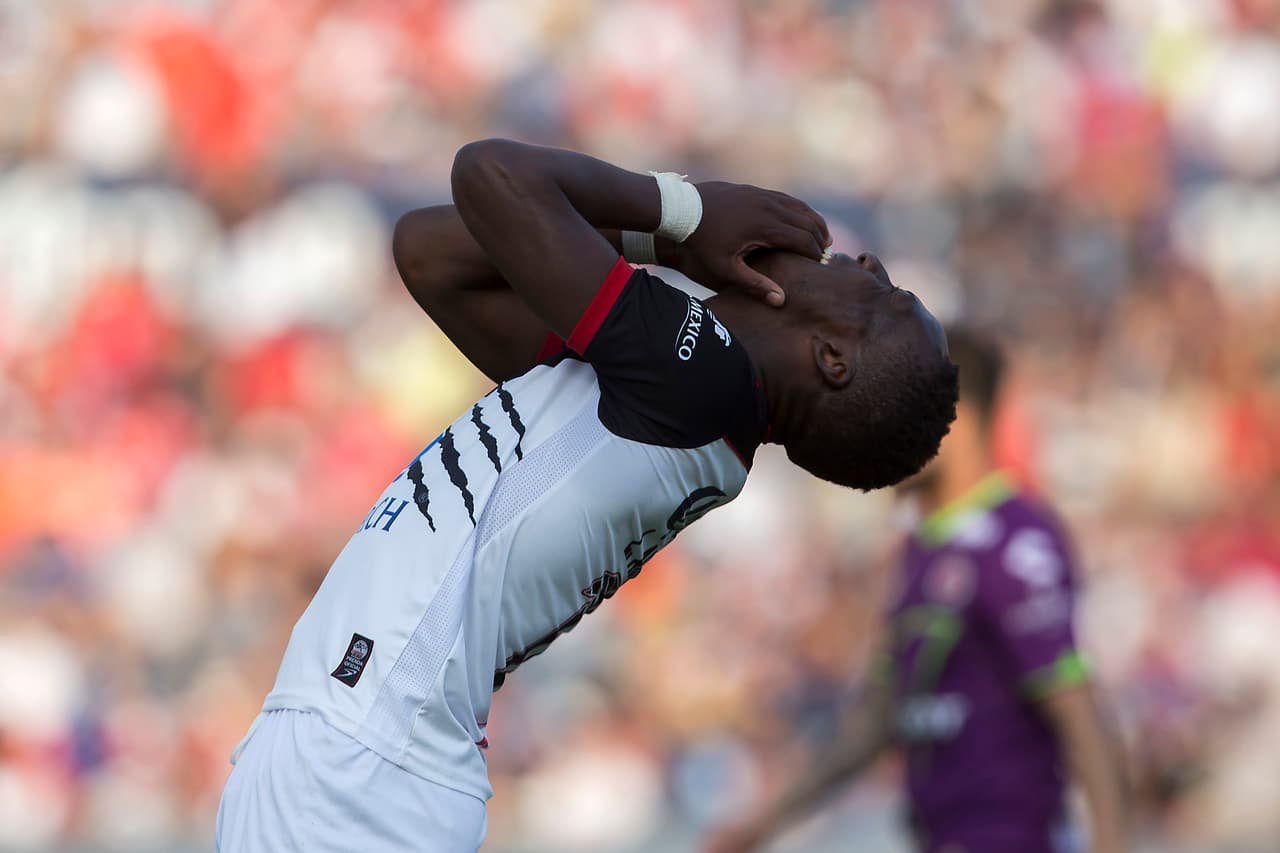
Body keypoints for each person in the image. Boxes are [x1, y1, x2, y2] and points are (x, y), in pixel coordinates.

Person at [215, 139, 958, 852]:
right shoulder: (663, 392)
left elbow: (491, 173)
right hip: (369, 757)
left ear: (832, 358)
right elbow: (431, 252)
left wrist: (686, 212)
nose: (866, 262)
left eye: (885, 296)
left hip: (361, 759)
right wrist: (665, 242)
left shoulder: (700, 380)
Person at [707, 329, 1128, 853]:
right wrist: (763, 823)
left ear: (961, 419)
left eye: (905, 415)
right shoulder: (920, 548)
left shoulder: (1015, 540)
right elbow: (876, 719)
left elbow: (1078, 708)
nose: (885, 434)